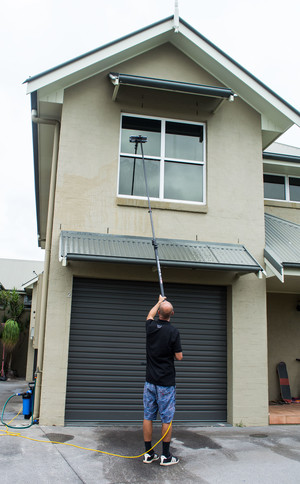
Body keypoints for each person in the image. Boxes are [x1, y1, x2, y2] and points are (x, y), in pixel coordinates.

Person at [142, 294, 183, 466]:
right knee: (167, 419)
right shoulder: (173, 332)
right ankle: (166, 456)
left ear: (159, 312)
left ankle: (149, 454)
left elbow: (149, 316)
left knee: (148, 416)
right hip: (166, 383)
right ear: (172, 314)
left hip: (150, 381)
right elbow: (179, 357)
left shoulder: (150, 327)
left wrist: (159, 301)